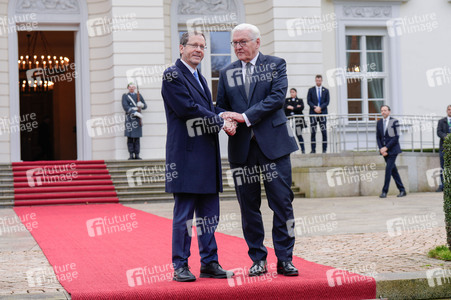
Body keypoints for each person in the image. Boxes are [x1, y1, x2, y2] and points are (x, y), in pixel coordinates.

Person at [216, 23, 299, 277]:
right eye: (235, 43)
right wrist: (226, 119)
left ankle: (285, 259)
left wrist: (243, 117)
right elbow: (221, 106)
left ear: (257, 42)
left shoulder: (276, 64)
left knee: (283, 204)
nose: (238, 47)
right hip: (242, 150)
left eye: (243, 41)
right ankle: (258, 259)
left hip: (274, 146)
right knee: (248, 207)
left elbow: (276, 99)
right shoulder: (226, 72)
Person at [161, 31, 235, 282]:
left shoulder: (200, 78)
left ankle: (209, 262)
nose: (199, 50)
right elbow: (187, 110)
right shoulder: (173, 75)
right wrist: (220, 121)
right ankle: (180, 265)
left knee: (209, 215)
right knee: (184, 216)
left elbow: (208, 108)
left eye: (203, 46)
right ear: (181, 47)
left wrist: (227, 116)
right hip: (186, 157)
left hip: (206, 156)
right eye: (194, 45)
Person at [376, 105, 406, 198]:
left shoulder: (394, 121)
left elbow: (395, 137)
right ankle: (402, 190)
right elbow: (378, 137)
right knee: (394, 171)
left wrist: (386, 148)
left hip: (393, 150)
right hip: (384, 151)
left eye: (385, 110)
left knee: (388, 170)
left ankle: (384, 191)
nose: (383, 112)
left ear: (389, 111)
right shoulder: (379, 122)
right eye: (382, 111)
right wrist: (381, 149)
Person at [122, 83, 147, 160]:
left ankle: (137, 154)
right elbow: (125, 106)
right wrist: (134, 112)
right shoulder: (125, 96)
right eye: (130, 87)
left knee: (137, 138)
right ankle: (131, 154)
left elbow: (145, 106)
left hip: (137, 119)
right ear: (128, 88)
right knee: (130, 138)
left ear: (135, 88)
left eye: (133, 87)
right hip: (130, 118)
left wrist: (141, 105)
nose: (132, 88)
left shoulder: (139, 96)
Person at [307, 75, 330, 153]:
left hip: (322, 113)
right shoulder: (311, 90)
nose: (318, 82)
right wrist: (315, 107)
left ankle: (324, 150)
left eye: (319, 81)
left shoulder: (326, 90)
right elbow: (308, 101)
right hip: (313, 113)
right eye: (317, 80)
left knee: (324, 132)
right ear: (315, 80)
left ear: (322, 80)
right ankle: (313, 150)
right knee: (313, 132)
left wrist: (320, 108)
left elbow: (327, 102)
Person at [285, 88, 306, 154]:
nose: (292, 93)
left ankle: (303, 149)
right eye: (291, 92)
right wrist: (296, 107)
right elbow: (285, 106)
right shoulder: (287, 100)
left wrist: (292, 107)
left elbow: (301, 107)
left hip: (298, 121)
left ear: (296, 93)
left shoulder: (299, 100)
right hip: (289, 121)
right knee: (289, 135)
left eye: (293, 92)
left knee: (299, 134)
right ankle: (289, 151)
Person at [436, 105, 451, 192]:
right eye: (449, 110)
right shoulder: (442, 121)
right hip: (444, 147)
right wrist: (446, 137)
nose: (450, 111)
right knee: (443, 167)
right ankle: (442, 186)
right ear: (446, 111)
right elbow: (439, 132)